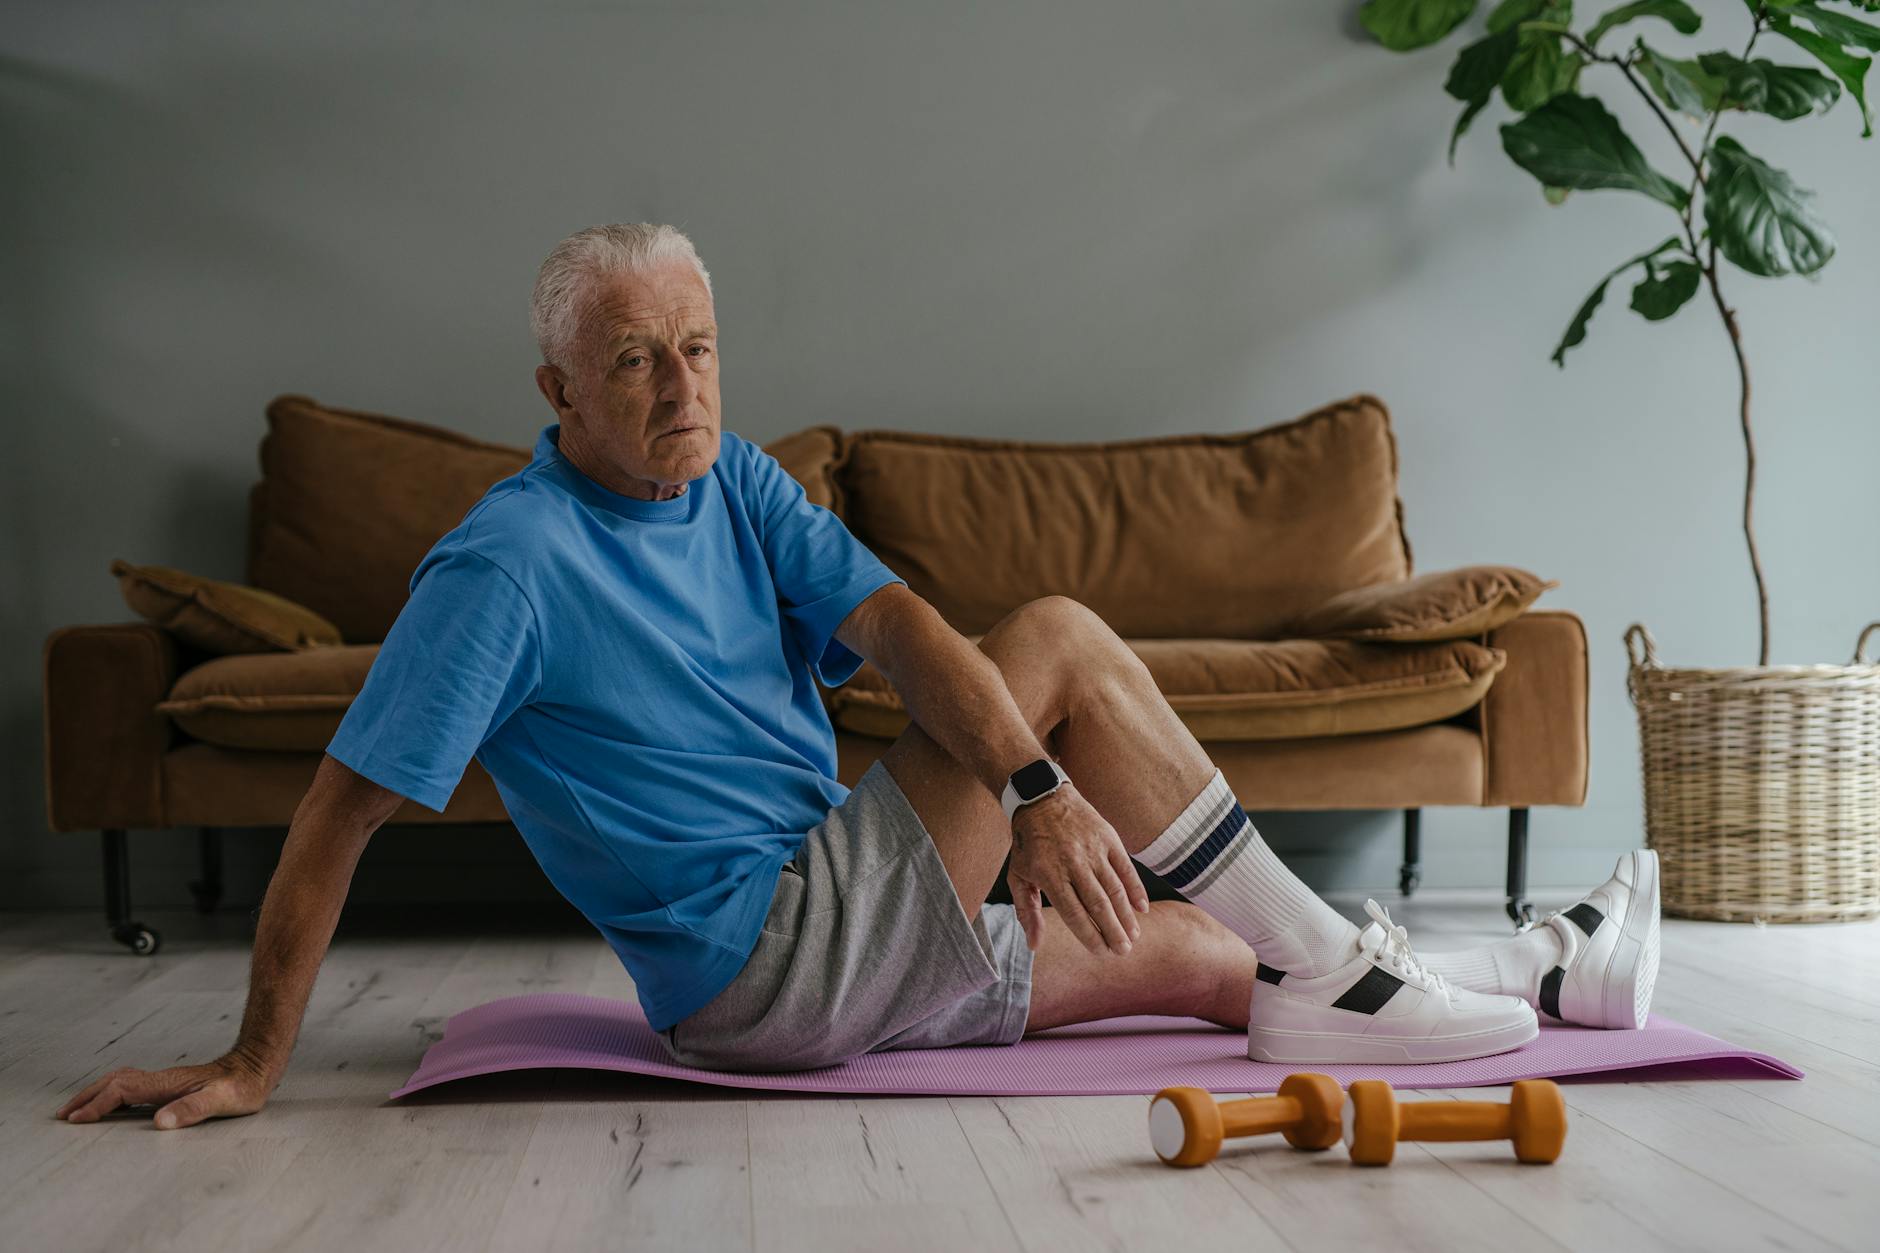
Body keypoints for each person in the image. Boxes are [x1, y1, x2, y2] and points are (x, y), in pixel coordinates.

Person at [56, 223, 1659, 1130]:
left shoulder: (732, 478)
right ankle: (1352, 974)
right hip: (769, 963)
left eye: (697, 345)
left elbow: (895, 629)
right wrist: (256, 1057)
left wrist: (1021, 807)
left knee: (1196, 953)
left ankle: (1536, 969)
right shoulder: (508, 567)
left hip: (860, 915)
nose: (680, 385)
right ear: (556, 387)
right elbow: (335, 813)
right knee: (1059, 636)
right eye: (632, 358)